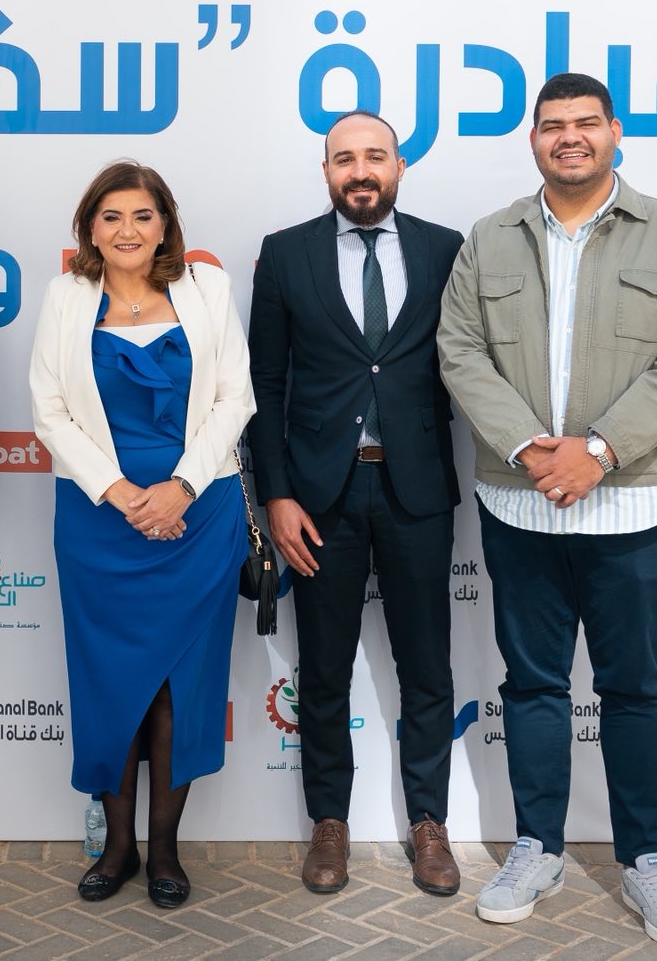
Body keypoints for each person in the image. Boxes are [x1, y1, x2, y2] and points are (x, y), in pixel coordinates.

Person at [436, 73, 657, 951]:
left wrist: (597, 451)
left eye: (586, 123)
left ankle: (646, 861)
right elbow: (460, 350)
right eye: (553, 125)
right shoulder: (490, 239)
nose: (570, 137)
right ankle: (539, 849)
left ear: (614, 132)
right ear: (533, 139)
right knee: (531, 687)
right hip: (519, 504)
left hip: (632, 505)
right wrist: (533, 449)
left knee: (633, 689)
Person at [245, 110, 467, 897]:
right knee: (325, 668)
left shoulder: (446, 249)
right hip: (319, 498)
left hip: (417, 489)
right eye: (345, 159)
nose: (361, 170)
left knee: (427, 666)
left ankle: (429, 823)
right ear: (327, 171)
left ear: (399, 167)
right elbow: (265, 383)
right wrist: (275, 493)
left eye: (375, 156)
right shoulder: (286, 253)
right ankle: (329, 823)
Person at [29, 160, 254, 910]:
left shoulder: (207, 288)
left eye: (143, 215)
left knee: (180, 687)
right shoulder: (65, 296)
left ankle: (164, 850)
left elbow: (234, 398)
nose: (127, 230)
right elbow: (49, 411)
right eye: (112, 216)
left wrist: (179, 488)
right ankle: (117, 849)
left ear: (165, 226)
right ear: (89, 229)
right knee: (109, 683)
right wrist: (123, 493)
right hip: (100, 518)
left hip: (198, 513)